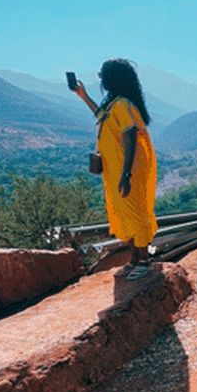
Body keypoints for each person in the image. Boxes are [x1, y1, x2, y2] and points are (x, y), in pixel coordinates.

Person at [72, 59, 158, 279]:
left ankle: (144, 262)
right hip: (115, 169)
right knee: (123, 212)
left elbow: (130, 136)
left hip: (127, 168)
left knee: (136, 213)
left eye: (103, 75)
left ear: (113, 78)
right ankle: (134, 260)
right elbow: (101, 115)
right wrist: (82, 96)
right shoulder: (115, 104)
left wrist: (126, 173)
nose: (101, 79)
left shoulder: (123, 105)